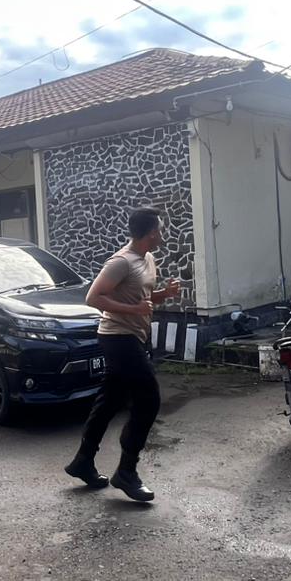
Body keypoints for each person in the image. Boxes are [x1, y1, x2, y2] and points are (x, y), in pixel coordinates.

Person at [64, 207, 182, 502]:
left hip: (135, 337)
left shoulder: (148, 258)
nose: (162, 234)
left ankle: (83, 461)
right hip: (118, 337)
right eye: (160, 229)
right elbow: (93, 297)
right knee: (149, 399)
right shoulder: (121, 262)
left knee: (109, 400)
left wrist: (163, 295)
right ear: (151, 233)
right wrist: (134, 310)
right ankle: (127, 471)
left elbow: (140, 297)